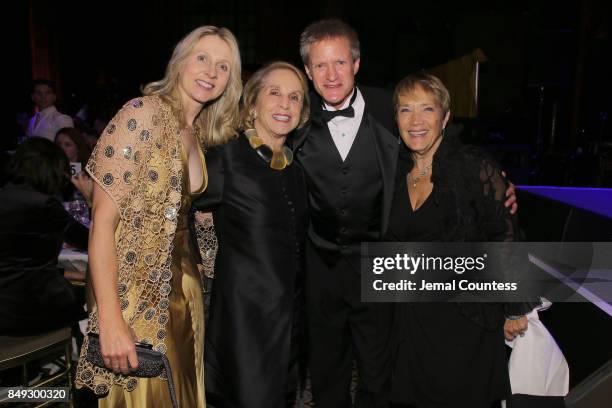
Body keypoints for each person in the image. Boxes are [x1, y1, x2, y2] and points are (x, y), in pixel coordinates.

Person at [291, 19, 518, 407]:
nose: (331, 75)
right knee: (328, 374)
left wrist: (498, 187)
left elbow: (469, 188)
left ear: (357, 63)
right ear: (308, 72)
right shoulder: (292, 116)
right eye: (320, 65)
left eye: (340, 63)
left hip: (385, 274)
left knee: (381, 375)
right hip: (321, 271)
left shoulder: (388, 107)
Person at [74, 25, 242, 408]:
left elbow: (187, 213)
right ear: (180, 61)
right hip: (135, 294)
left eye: (223, 66)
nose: (210, 72)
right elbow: (102, 222)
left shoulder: (194, 130)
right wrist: (111, 319)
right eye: (202, 58)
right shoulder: (143, 114)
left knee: (178, 394)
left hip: (182, 293)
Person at [385, 72, 533, 407]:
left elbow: (504, 235)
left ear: (446, 116)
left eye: (427, 109)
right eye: (405, 110)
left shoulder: (472, 165)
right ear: (396, 118)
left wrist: (514, 308)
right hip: (412, 322)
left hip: (465, 320)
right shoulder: (393, 173)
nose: (416, 121)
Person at [192, 61, 310, 408]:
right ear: (253, 103)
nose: (285, 104)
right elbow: (178, 206)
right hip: (245, 320)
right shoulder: (227, 157)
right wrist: (195, 263)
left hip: (290, 319)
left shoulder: (294, 169)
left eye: (295, 97)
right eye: (274, 93)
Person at [0, 138, 88, 335]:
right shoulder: (44, 206)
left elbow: (16, 262)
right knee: (94, 297)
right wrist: (91, 201)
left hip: (4, 309)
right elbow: (91, 241)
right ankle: (80, 360)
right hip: (35, 308)